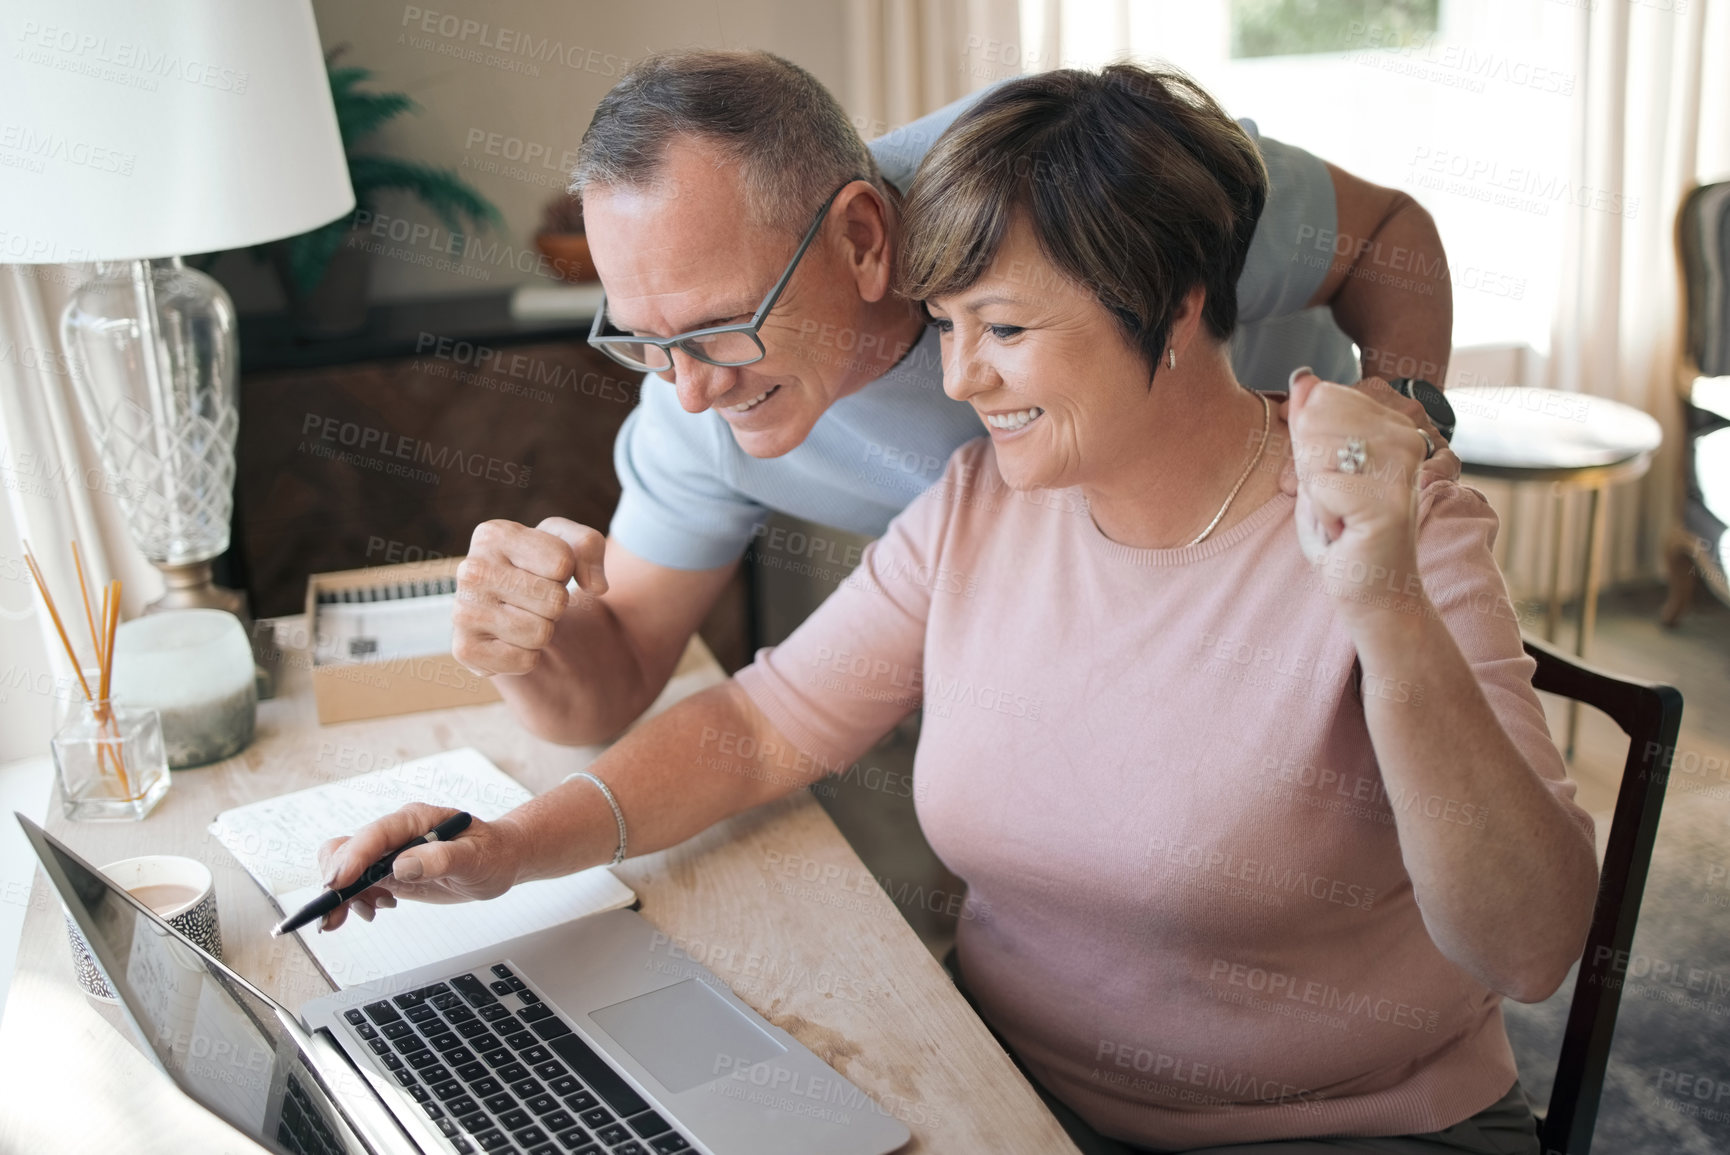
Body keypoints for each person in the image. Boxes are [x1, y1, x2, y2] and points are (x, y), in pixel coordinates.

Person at [323, 63, 1597, 1155]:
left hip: (1342, 1126)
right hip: (1005, 1086)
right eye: (943, 326)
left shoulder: (1392, 530)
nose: (957, 377)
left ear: (1179, 301)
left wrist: (1380, 569)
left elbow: (1528, 951)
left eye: (1001, 327)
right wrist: (506, 851)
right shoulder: (980, 501)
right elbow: (759, 725)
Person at [452, 49, 1460, 747]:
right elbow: (612, 679)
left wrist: (1399, 426)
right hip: (1109, 652)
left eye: (719, 325)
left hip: (1315, 570)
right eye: (645, 337)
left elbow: (1385, 239)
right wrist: (529, 638)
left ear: (860, 239)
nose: (690, 385)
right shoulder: (696, 403)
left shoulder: (1068, 179)